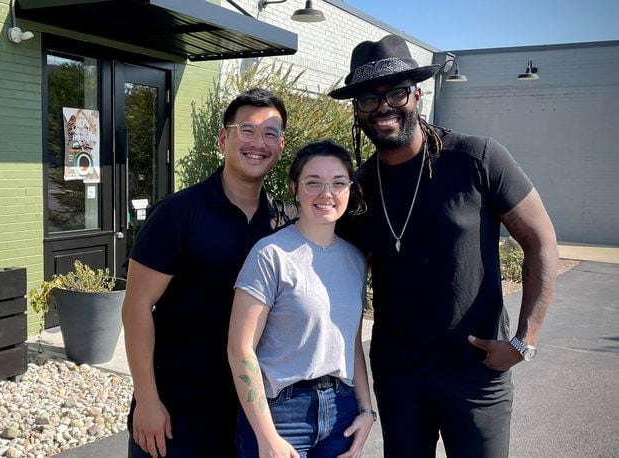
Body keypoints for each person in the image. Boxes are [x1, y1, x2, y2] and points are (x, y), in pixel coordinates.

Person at [329, 34, 558, 457]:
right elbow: (328, 264)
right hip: (399, 376)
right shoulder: (356, 191)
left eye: (395, 92)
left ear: (416, 93)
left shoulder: (477, 158)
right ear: (357, 110)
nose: (382, 108)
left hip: (475, 373)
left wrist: (524, 342)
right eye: (367, 99)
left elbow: (541, 241)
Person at [122, 88, 291, 458]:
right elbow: (136, 307)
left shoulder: (287, 223)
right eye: (246, 130)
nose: (258, 143)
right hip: (176, 407)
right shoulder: (177, 214)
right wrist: (148, 400)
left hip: (251, 409)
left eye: (271, 133)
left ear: (280, 146)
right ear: (223, 139)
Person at [228, 140, 375, 458]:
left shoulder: (354, 260)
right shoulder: (271, 255)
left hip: (342, 411)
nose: (327, 193)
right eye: (313, 183)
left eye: (338, 183)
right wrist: (266, 437)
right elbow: (240, 349)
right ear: (295, 188)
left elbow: (350, 342)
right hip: (281, 414)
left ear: (349, 190)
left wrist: (367, 409)